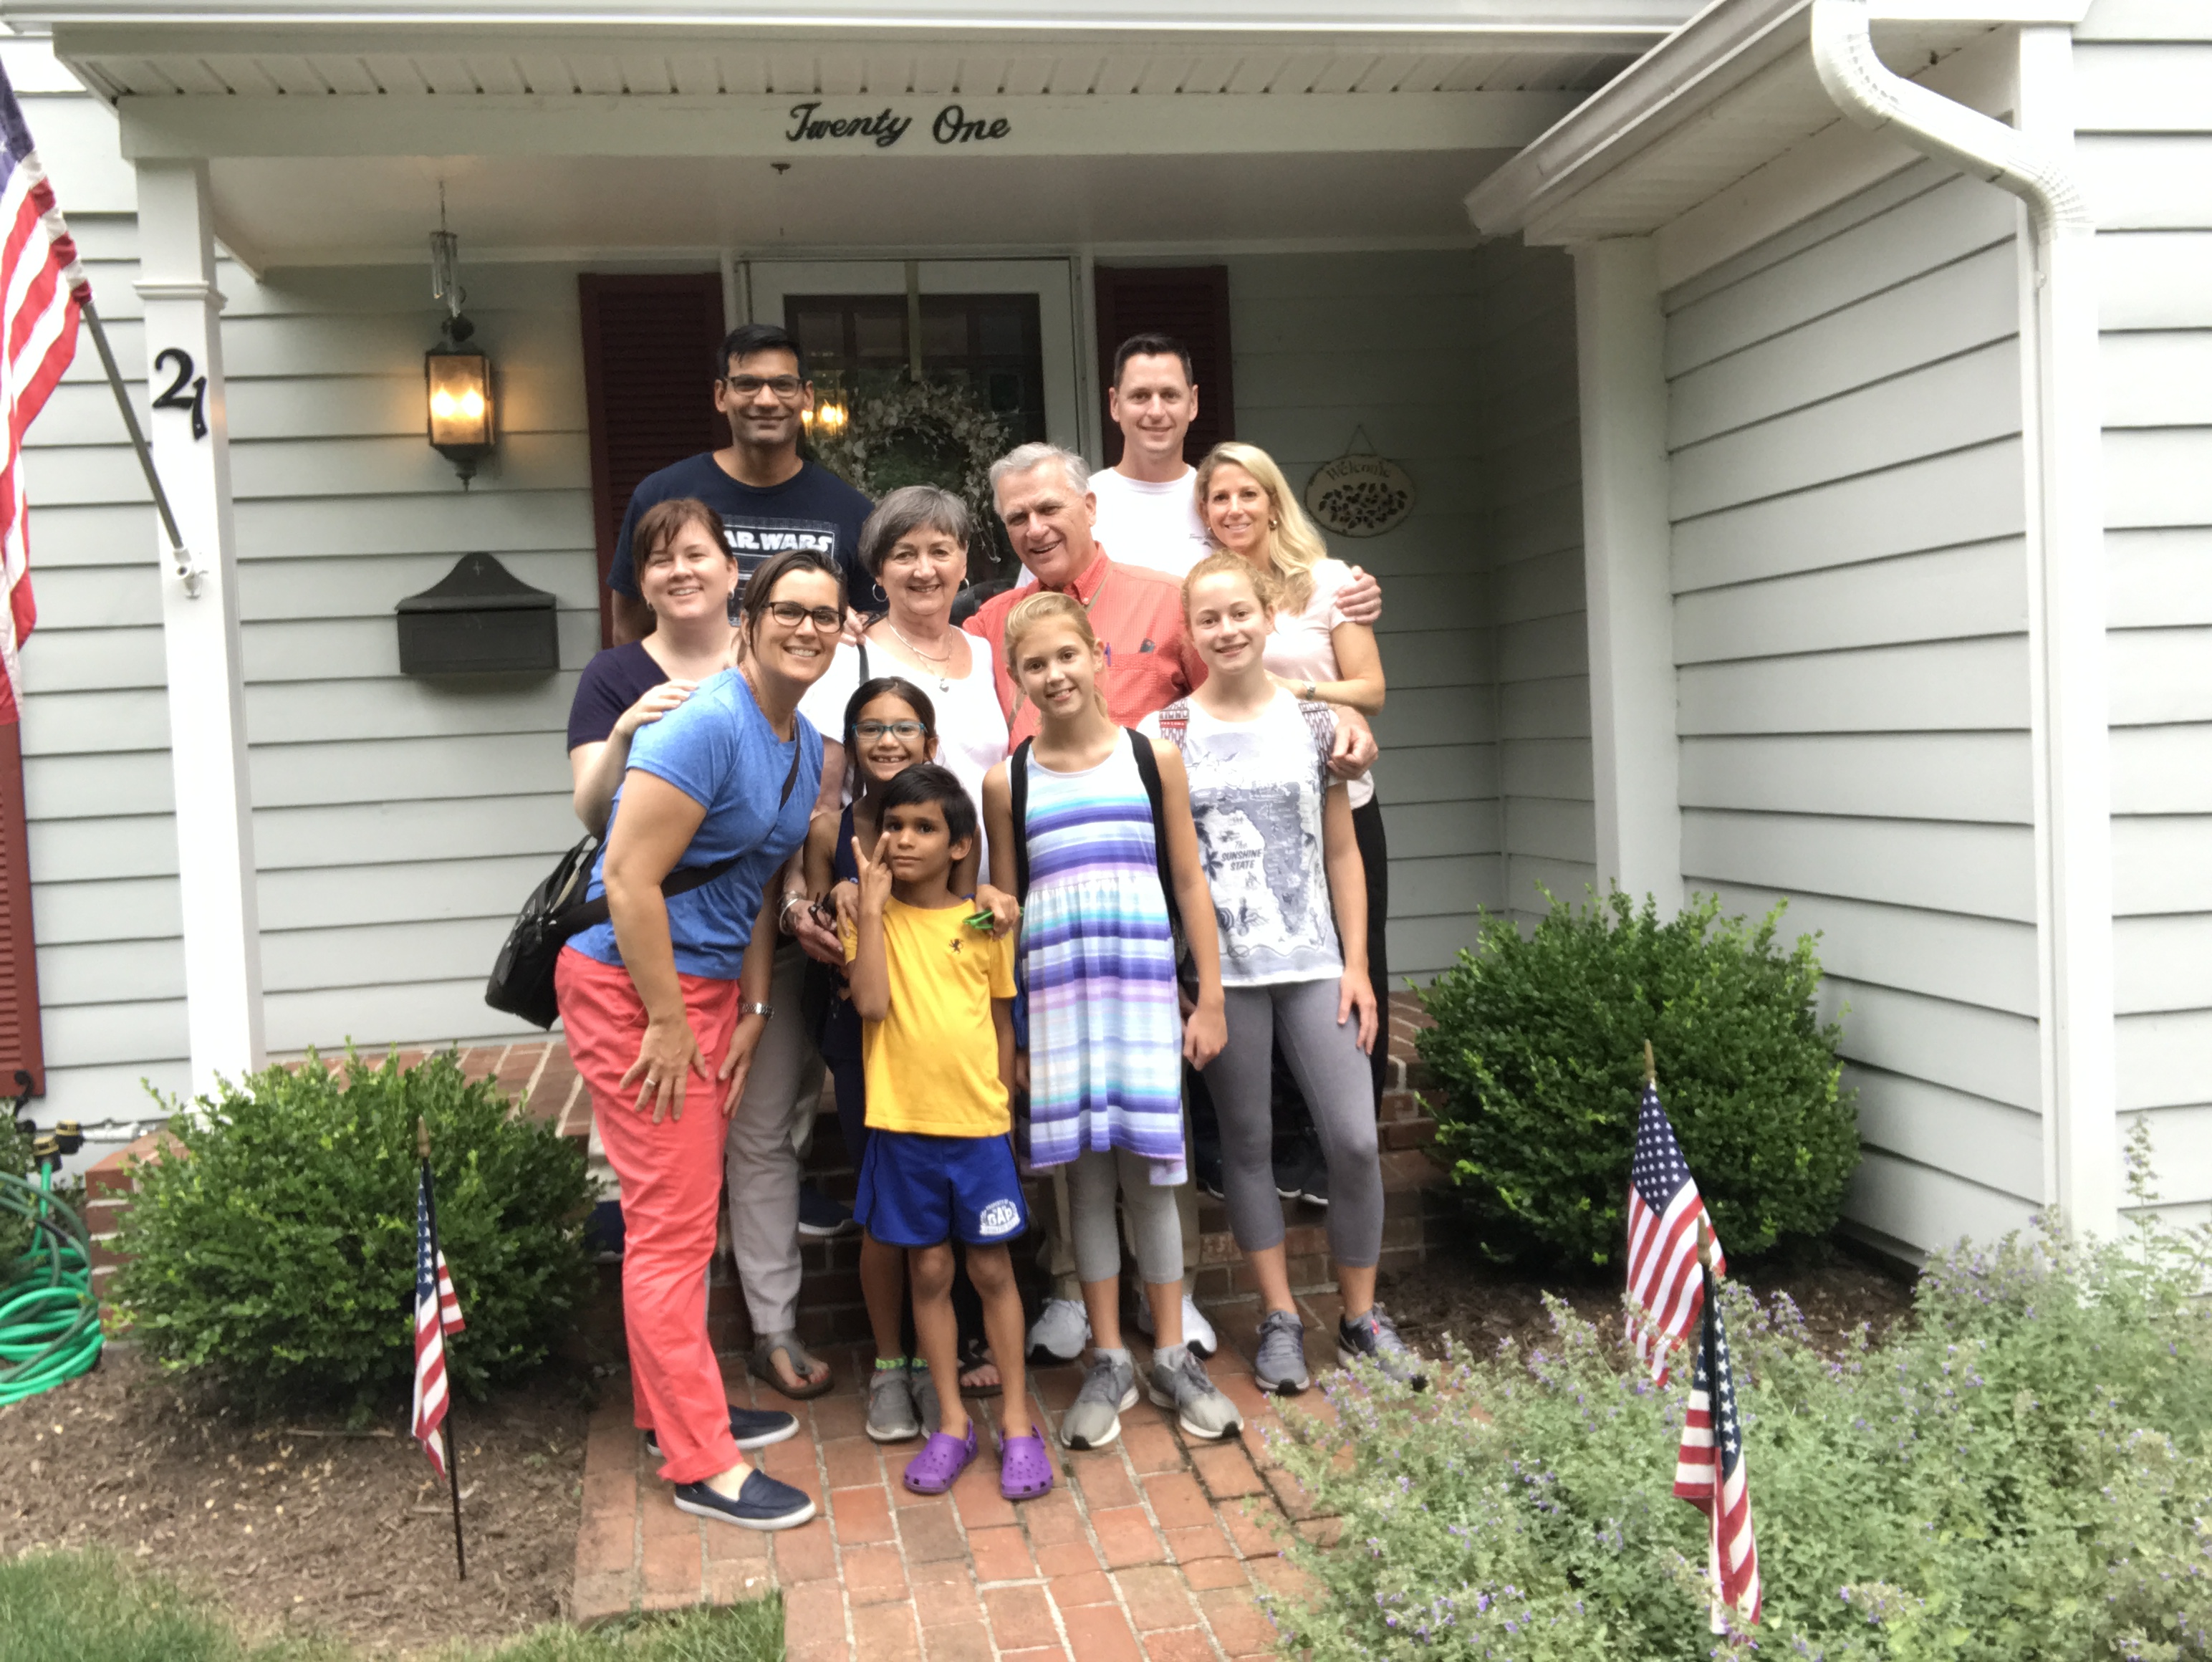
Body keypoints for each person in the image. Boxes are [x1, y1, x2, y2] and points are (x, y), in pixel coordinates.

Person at [968, 442, 1380, 1365]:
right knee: (1129, 1137)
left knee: (1247, 1133)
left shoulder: (1177, 618)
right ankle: (1126, 1299)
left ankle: (1238, 1301)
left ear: (1088, 507)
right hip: (1116, 925)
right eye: (1017, 517)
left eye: (1050, 508)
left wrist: (1341, 701)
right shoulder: (1008, 634)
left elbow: (1259, 706)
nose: (1035, 527)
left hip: (1231, 928)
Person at [551, 546, 845, 1533]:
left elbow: (756, 884)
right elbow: (628, 878)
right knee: (672, 1229)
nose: (808, 628)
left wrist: (752, 1012)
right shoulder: (708, 724)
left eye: (826, 615)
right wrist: (672, 1023)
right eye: (789, 610)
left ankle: (671, 1412)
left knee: (679, 1215)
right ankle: (699, 1463)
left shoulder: (799, 739)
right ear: (749, 620)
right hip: (634, 990)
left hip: (710, 991)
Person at [1143, 553, 1425, 1394]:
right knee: (1248, 1143)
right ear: (1190, 634)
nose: (1227, 630)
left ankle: (1360, 1316)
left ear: (1269, 617)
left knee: (1354, 1140)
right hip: (1223, 976)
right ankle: (1278, 1316)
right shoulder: (1165, 735)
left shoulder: (1317, 724)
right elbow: (1170, 869)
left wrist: (1358, 965)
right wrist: (1190, 982)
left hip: (1314, 964)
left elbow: (1342, 851)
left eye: (1240, 613)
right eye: (1209, 619)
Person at [981, 592, 1244, 1448]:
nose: (1054, 675)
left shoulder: (1149, 758)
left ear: (1097, 655)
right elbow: (1006, 910)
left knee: (1151, 1177)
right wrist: (1012, 1037)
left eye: (1067, 655)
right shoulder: (1009, 781)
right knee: (1085, 1186)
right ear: (1016, 678)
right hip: (1058, 1002)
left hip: (1140, 995)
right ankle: (1107, 1358)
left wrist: (1209, 996)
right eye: (1034, 664)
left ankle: (1170, 1353)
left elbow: (1189, 880)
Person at [843, 763, 1053, 1501]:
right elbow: (871, 1004)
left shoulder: (984, 922)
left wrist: (1000, 1111)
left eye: (924, 828)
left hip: (977, 1129)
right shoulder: (867, 918)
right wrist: (870, 911)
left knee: (991, 1270)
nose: (904, 839)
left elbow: (1000, 1022)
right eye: (894, 826)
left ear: (960, 845)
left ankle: (1019, 1424)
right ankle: (954, 1422)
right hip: (903, 1128)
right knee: (928, 1271)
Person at [1196, 441, 1393, 1187]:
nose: (1234, 508)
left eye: (1248, 493)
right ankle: (1283, 1138)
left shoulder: (1330, 582)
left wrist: (1295, 697)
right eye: (1219, 498)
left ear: (1274, 502)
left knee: (1354, 960)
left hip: (1339, 798)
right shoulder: (1208, 589)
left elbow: (1370, 689)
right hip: (1248, 813)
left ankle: (1345, 1140)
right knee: (1267, 963)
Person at [807, 677, 993, 1431]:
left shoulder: (949, 814)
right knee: (884, 1206)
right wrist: (832, 899)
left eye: (904, 726)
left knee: (954, 1201)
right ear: (850, 743)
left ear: (930, 740)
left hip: (943, 1040)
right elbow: (810, 906)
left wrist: (997, 901)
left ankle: (948, 1344)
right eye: (871, 728)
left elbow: (971, 910)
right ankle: (892, 1362)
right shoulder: (831, 826)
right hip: (868, 1031)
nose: (887, 740)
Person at [1087, 331, 1383, 632]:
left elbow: (1292, 575)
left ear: (1193, 402)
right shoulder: (1084, 504)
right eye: (1140, 396)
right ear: (1115, 404)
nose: (1156, 411)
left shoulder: (1223, 502)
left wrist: (1347, 591)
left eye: (1170, 395)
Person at [605, 322, 873, 645]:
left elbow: (871, 630)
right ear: (721, 395)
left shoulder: (851, 511)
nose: (766, 400)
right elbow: (629, 628)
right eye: (747, 384)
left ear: (807, 396)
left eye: (783, 385)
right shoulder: (661, 495)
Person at [799, 486, 1011, 884]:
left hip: (979, 898)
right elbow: (820, 805)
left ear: (963, 561)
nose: (924, 570)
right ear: (879, 571)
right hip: (885, 894)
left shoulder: (985, 652)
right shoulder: (848, 659)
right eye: (904, 555)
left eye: (940, 551)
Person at [568, 497, 741, 834]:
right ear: (644, 585)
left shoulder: (768, 658)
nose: (680, 571)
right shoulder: (609, 675)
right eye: (661, 561)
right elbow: (594, 816)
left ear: (731, 571)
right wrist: (624, 733)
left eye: (696, 555)